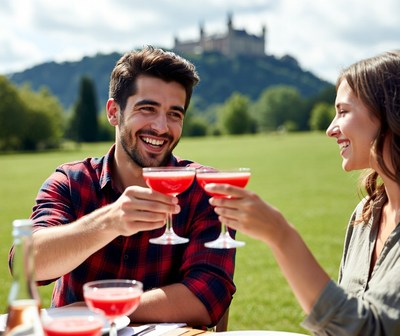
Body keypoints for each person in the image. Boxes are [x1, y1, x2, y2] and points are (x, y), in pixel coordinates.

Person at [8, 46, 236, 327]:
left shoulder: (205, 189)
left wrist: (102, 310)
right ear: (114, 112)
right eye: (147, 109)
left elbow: (208, 297)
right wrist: (110, 222)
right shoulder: (71, 181)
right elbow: (26, 266)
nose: (162, 127)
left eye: (174, 114)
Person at [204, 50, 400, 335]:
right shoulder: (367, 213)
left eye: (343, 112)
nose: (330, 129)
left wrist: (281, 235)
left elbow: (368, 329)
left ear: (389, 114)